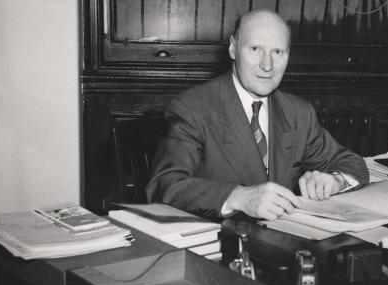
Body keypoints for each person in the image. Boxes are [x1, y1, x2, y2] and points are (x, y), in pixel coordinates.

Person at [146, 9, 369, 220]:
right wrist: (238, 197)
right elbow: (165, 185)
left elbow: (353, 165)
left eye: (277, 52)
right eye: (255, 49)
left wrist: (334, 181)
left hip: (285, 245)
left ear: (288, 55)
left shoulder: (298, 112)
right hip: (220, 245)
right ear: (233, 48)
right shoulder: (192, 108)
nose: (267, 65)